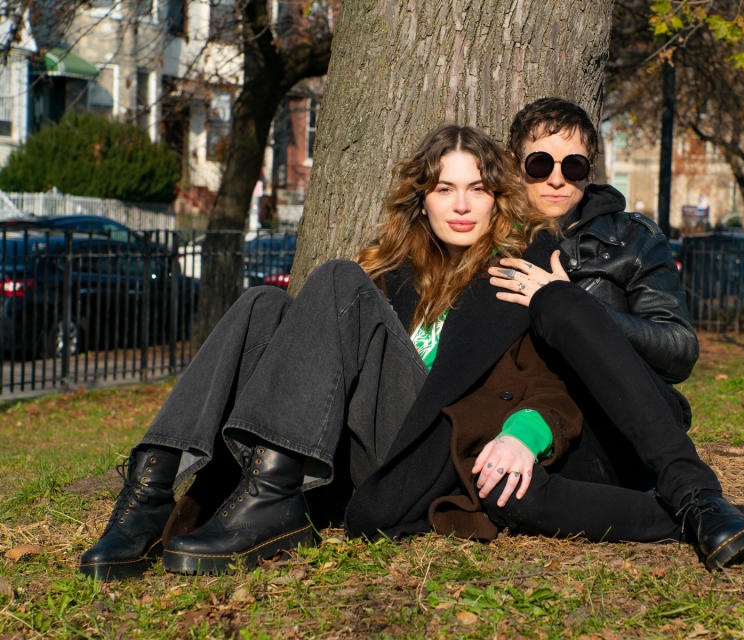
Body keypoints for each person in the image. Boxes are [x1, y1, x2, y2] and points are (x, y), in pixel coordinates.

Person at [78, 124, 582, 579]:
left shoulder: (515, 275)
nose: (461, 205)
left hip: (427, 448)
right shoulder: (392, 273)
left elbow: (554, 382)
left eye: (477, 189)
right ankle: (149, 489)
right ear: (422, 200)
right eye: (444, 189)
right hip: (361, 444)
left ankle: (270, 496)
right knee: (263, 303)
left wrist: (523, 436)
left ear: (497, 200)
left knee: (340, 277)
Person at [482, 97, 744, 569]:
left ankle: (695, 491)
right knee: (508, 495)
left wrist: (576, 303)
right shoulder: (489, 236)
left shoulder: (632, 239)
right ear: (515, 165)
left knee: (561, 303)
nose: (556, 178)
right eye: (539, 163)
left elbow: (679, 350)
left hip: (630, 430)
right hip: (547, 434)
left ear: (589, 171)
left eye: (572, 165)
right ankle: (738, 520)